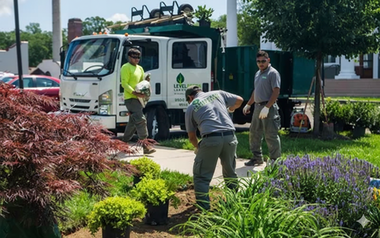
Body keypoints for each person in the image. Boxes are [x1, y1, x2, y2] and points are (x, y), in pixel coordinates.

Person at [185, 85, 243, 210]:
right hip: (230, 137)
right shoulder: (218, 93)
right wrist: (231, 109)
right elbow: (239, 100)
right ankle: (233, 205)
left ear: (190, 97)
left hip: (211, 139)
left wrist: (198, 147)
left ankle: (204, 210)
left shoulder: (192, 106)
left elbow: (191, 136)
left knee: (201, 176)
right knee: (230, 173)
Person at [242, 50, 281, 166]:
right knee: (254, 133)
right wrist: (249, 104)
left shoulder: (273, 73)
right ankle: (257, 158)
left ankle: (275, 162)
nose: (261, 64)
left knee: (270, 135)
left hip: (268, 107)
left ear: (268, 60)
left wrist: (267, 107)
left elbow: (276, 91)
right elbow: (256, 90)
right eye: (258, 61)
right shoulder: (258, 73)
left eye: (263, 61)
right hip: (258, 107)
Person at [121, 48, 155, 154]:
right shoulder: (126, 67)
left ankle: (123, 143)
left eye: (138, 57)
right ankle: (146, 146)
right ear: (129, 57)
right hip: (130, 98)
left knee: (133, 121)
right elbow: (124, 83)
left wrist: (146, 81)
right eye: (134, 57)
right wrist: (134, 93)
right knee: (141, 120)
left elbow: (141, 83)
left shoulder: (140, 68)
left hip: (139, 99)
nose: (137, 59)